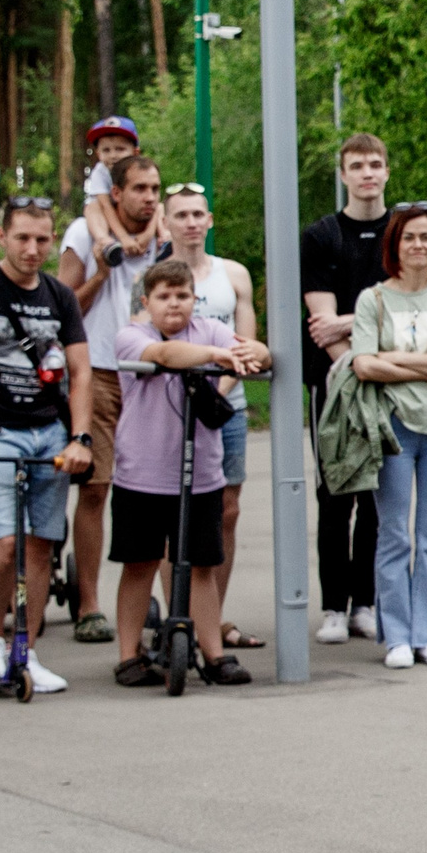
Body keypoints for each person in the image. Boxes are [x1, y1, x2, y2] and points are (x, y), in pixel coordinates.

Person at [0, 196, 95, 696]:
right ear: (2, 237)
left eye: (42, 239)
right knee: (6, 541)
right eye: (22, 237)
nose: (32, 249)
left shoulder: (59, 296)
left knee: (43, 545)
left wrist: (80, 438)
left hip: (48, 432)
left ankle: (26, 649)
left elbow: (80, 372)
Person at [108, 258, 267, 687]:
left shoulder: (211, 330)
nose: (174, 304)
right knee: (140, 562)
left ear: (195, 300)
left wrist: (255, 352)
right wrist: (217, 356)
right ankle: (129, 655)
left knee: (201, 565)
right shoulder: (132, 335)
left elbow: (255, 350)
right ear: (147, 301)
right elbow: (163, 355)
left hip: (201, 474)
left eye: (182, 296)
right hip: (141, 472)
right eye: (164, 296)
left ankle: (213, 653)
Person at [351, 202, 427, 669]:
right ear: (394, 245)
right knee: (394, 534)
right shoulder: (374, 300)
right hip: (393, 431)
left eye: (426, 237)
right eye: (409, 238)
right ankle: (397, 635)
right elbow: (363, 364)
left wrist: (394, 361)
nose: (418, 245)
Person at [58, 152, 165, 645]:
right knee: (96, 488)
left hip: (151, 374)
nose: (149, 198)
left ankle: (144, 595)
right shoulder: (85, 235)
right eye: (139, 189)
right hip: (100, 371)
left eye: (154, 189)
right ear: (115, 193)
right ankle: (89, 604)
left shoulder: (164, 239)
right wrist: (101, 273)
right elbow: (59, 308)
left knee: (152, 489)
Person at [163, 182, 266, 650]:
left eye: (197, 214)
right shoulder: (152, 276)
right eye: (180, 214)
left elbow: (245, 349)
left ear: (209, 220)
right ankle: (176, 618)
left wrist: (218, 392)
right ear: (166, 222)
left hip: (225, 405)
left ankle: (214, 621)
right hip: (167, 408)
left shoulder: (234, 276)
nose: (190, 222)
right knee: (174, 514)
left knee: (225, 509)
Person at [300, 134, 393, 644]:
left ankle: (367, 602)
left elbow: (406, 309)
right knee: (336, 494)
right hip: (336, 382)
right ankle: (334, 605)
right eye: (356, 165)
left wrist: (351, 324)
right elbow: (320, 322)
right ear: (343, 174)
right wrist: (357, 360)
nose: (366, 173)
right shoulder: (321, 235)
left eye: (375, 164)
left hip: (389, 377)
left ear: (386, 171)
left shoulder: (400, 232)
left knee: (380, 497)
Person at [78, 115, 168, 262]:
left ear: (135, 152)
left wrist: (148, 233)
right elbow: (106, 206)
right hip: (106, 212)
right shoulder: (100, 172)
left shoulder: (140, 170)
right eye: (106, 150)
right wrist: (123, 238)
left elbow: (153, 202)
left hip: (133, 212)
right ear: (98, 153)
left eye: (120, 149)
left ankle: (164, 238)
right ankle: (105, 241)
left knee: (159, 206)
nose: (113, 156)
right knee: (91, 207)